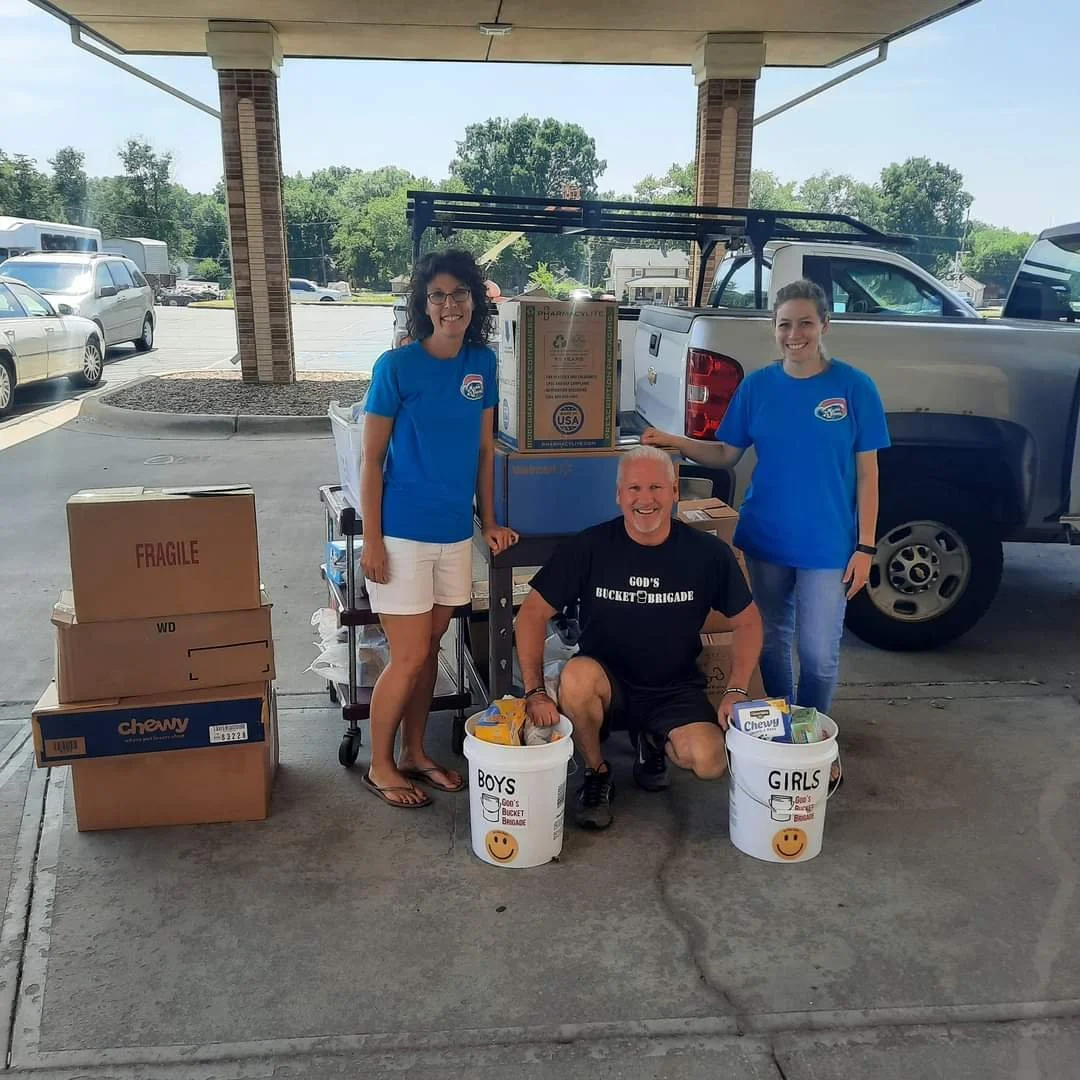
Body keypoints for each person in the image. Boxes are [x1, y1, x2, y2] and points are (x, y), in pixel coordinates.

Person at [643, 278, 890, 716]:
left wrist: (866, 547)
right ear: (774, 329)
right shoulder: (757, 387)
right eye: (784, 325)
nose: (794, 335)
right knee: (770, 640)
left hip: (829, 545)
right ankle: (782, 725)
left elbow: (869, 474)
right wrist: (676, 441)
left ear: (825, 325)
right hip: (766, 539)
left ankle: (811, 731)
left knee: (819, 654)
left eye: (805, 324)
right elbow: (725, 453)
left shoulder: (855, 388)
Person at [515, 446, 764, 830]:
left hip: (674, 688)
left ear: (674, 491)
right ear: (618, 495)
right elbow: (531, 615)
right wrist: (534, 691)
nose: (644, 500)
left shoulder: (707, 554)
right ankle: (597, 773)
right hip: (607, 682)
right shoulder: (589, 547)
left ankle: (652, 740)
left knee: (710, 762)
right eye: (634, 489)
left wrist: (736, 690)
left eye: (655, 488)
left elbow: (748, 622)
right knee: (576, 678)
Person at [359, 249, 518, 808]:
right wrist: (372, 541)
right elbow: (371, 461)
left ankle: (413, 753)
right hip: (402, 534)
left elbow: (482, 450)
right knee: (406, 657)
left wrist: (490, 522)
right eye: (437, 295)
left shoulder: (482, 363)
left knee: (428, 651)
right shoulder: (396, 367)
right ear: (422, 305)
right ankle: (380, 765)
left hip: (453, 533)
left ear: (474, 300)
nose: (450, 304)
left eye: (459, 294)